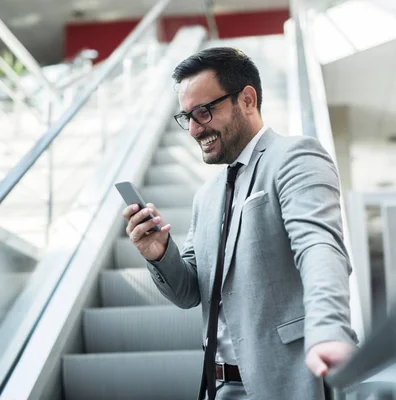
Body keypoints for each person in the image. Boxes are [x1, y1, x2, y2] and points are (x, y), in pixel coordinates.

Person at [123, 47, 357, 400]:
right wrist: (159, 253)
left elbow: (318, 246)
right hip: (219, 388)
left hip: (290, 381)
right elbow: (190, 293)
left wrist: (329, 328)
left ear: (247, 99)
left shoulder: (294, 157)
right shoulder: (206, 195)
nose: (193, 130)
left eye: (203, 112)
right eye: (185, 116)